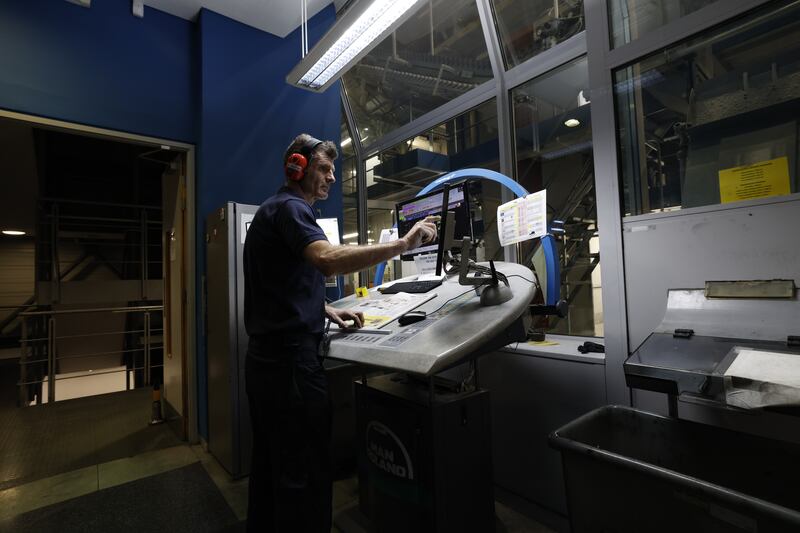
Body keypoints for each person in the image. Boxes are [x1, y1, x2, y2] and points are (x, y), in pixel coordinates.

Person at [242, 133, 437, 532]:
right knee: (306, 469)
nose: (331, 178)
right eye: (323, 169)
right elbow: (327, 261)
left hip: (265, 362)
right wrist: (402, 243)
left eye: (334, 170)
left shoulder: (272, 210)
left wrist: (323, 308)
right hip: (292, 364)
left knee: (270, 463)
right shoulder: (293, 209)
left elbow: (280, 283)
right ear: (297, 167)